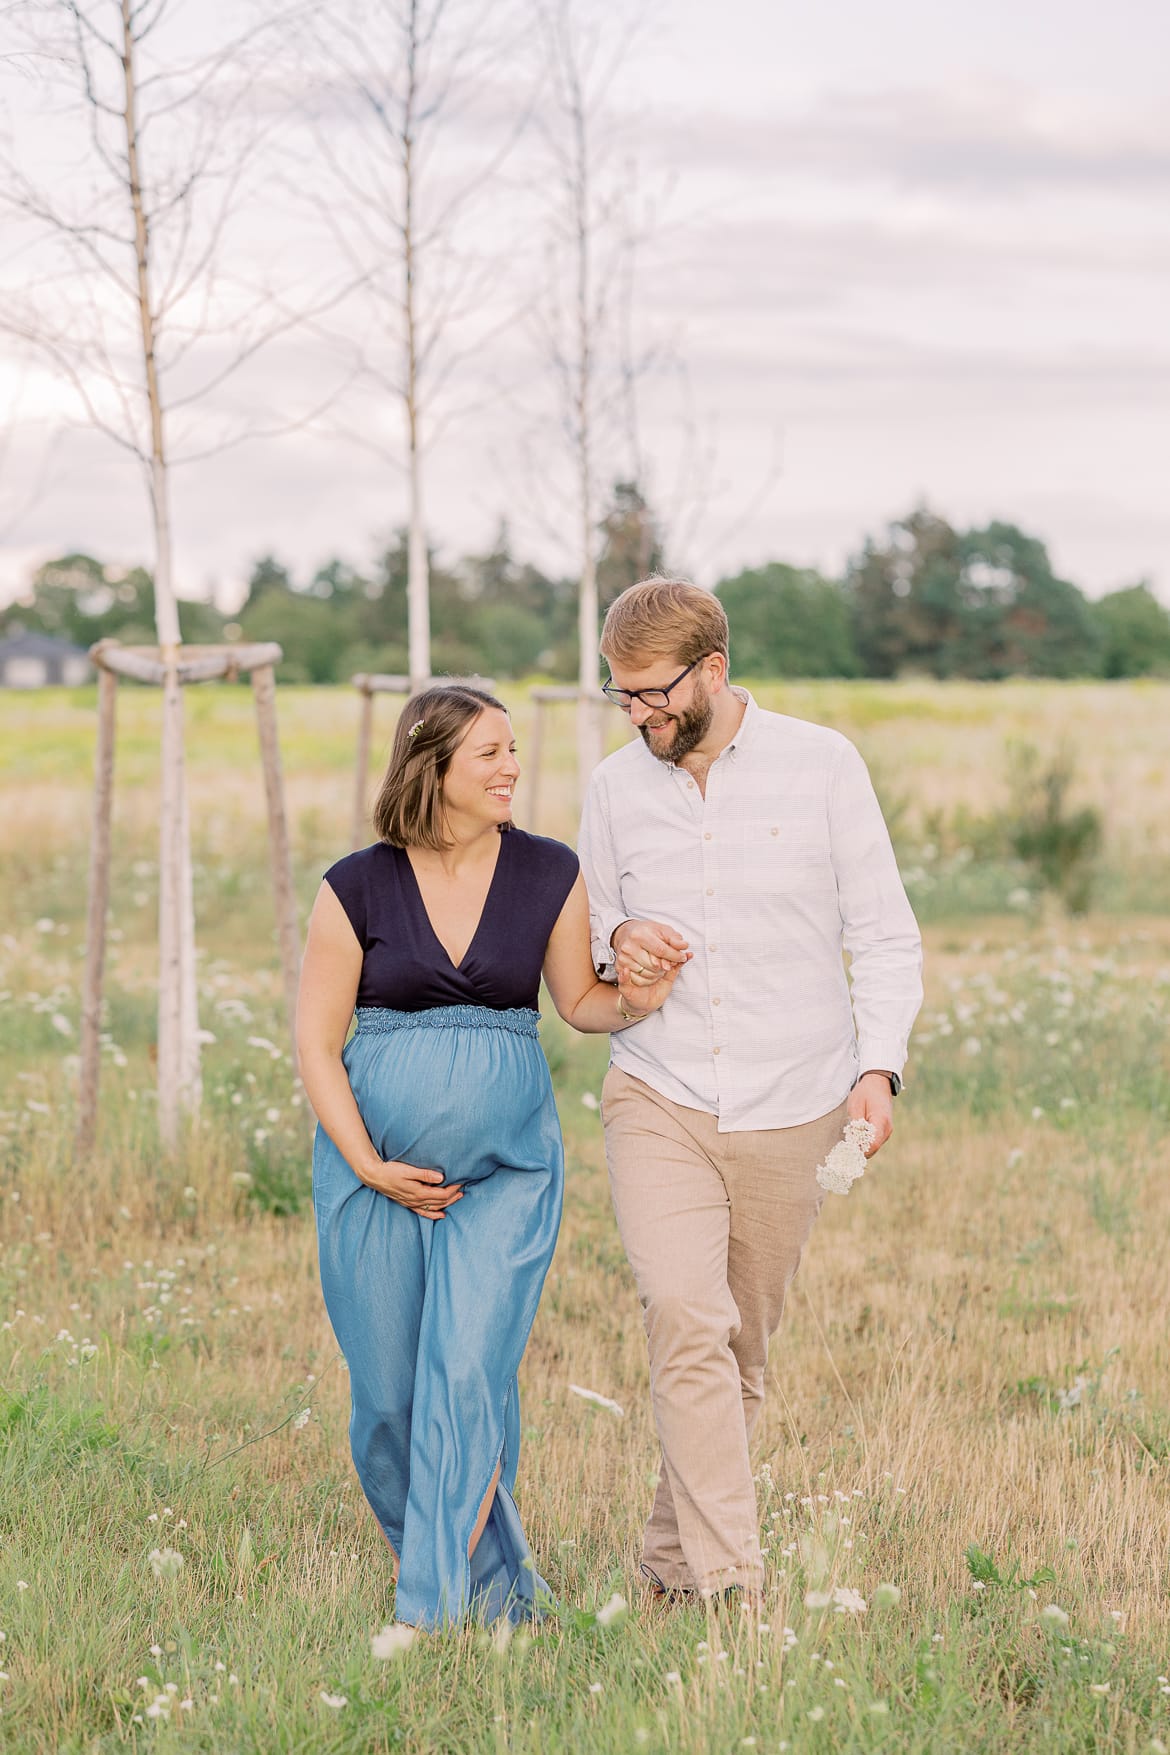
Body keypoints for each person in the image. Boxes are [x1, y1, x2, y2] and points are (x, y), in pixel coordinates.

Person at [296, 684, 676, 1632]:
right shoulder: (356, 886)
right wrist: (368, 1162)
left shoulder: (549, 870)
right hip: (371, 1177)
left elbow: (581, 1003)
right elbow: (314, 1041)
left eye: (513, 750)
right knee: (389, 1402)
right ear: (432, 767)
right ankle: (484, 1581)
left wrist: (640, 996)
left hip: (507, 1174)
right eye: (490, 753)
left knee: (466, 1376)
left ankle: (431, 1610)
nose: (513, 767)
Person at [577, 579, 923, 1607]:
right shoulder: (612, 789)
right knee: (686, 1315)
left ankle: (670, 1562)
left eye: (648, 692)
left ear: (712, 672)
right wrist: (623, 942)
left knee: (738, 1355)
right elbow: (594, 931)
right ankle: (734, 1588)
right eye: (620, 695)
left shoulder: (824, 767)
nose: (636, 712)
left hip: (796, 1100)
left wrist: (878, 1067)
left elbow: (883, 934)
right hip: (660, 1093)